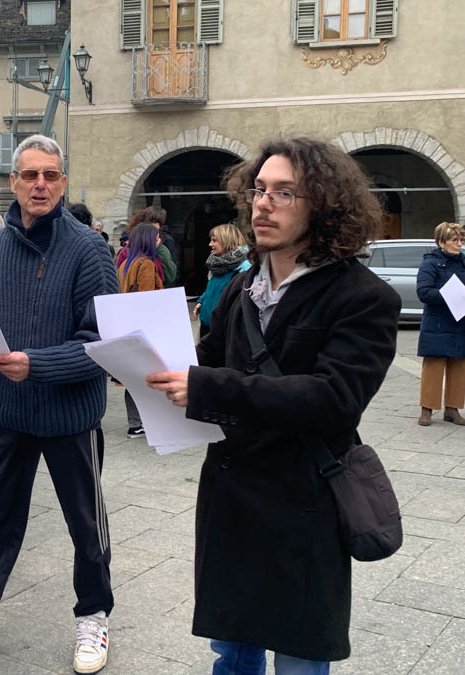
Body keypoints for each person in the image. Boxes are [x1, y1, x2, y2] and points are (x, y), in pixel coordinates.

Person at [148, 138, 400, 672]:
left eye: (285, 193)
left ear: (325, 206)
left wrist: (207, 387)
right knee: (232, 653)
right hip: (233, 498)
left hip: (302, 503)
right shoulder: (243, 285)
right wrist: (149, 365)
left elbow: (335, 399)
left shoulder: (363, 296)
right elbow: (211, 358)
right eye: (260, 190)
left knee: (299, 657)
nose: (263, 204)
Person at [0, 135, 118, 673]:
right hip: (7, 411)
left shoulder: (89, 248)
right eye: (30, 175)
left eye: (51, 175)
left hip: (69, 414)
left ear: (61, 180)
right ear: (13, 181)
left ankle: (94, 618)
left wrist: (37, 364)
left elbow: (101, 343)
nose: (40, 184)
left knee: (86, 523)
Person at [416, 221, 465, 426]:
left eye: (461, 240)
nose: (459, 244)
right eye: (455, 240)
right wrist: (450, 296)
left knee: (459, 366)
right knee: (433, 367)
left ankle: (452, 409)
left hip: (460, 322)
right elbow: (424, 292)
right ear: (441, 242)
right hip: (437, 323)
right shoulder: (431, 263)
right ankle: (427, 410)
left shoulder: (463, 262)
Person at [117, 222, 163, 438]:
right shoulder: (146, 264)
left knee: (134, 379)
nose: (159, 241)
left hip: (128, 326)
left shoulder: (126, 263)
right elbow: (147, 299)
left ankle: (135, 423)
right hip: (145, 328)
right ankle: (148, 422)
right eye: (157, 237)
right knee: (151, 377)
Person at [193, 224, 252, 339]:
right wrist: (202, 301)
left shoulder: (244, 268)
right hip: (208, 325)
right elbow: (212, 288)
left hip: (226, 330)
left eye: (214, 240)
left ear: (226, 240)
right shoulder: (216, 264)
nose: (210, 244)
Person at [115, 206, 178, 286]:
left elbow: (170, 277)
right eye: (152, 231)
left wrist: (159, 250)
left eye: (157, 231)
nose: (156, 235)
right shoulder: (126, 252)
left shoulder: (162, 249)